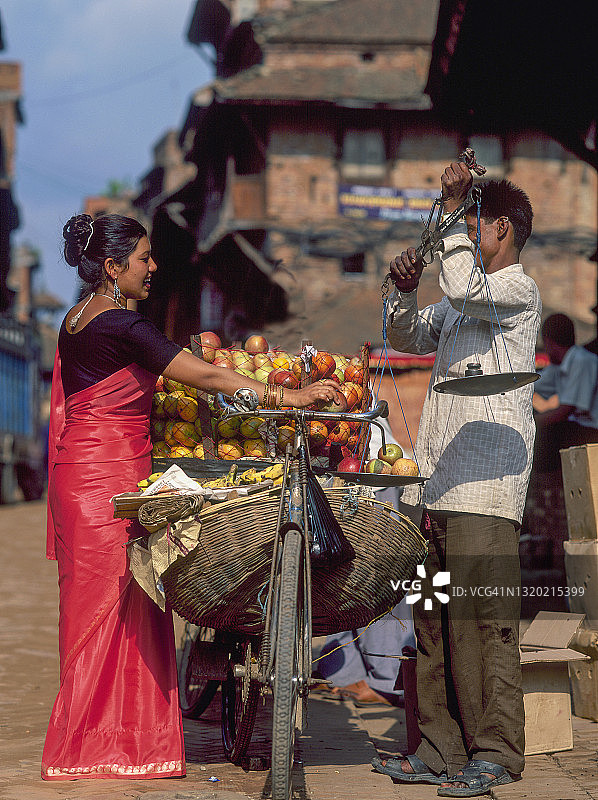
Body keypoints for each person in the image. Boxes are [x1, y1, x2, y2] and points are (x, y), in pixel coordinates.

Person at [42, 213, 339, 781]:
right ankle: (114, 747)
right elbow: (205, 377)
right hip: (109, 480)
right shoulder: (123, 326)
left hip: (80, 474)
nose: (153, 267)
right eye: (144, 258)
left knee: (92, 611)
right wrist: (290, 396)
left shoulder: (76, 319)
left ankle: (96, 741)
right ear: (112, 267)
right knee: (120, 608)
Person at [371, 162, 541, 797]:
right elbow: (405, 333)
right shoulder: (459, 299)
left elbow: (467, 286)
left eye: (474, 227)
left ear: (501, 230)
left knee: (485, 624)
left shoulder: (517, 291)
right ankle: (439, 747)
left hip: (485, 493)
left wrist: (448, 213)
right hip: (437, 487)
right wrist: (401, 290)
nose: (466, 238)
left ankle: (495, 752)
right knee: (434, 622)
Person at [315, 417, 415, 707]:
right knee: (340, 572)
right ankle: (348, 671)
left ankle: (387, 678)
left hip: (374, 470)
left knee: (376, 574)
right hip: (331, 470)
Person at [533, 312, 598, 469]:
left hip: (592, 430)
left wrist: (531, 422)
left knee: (546, 436)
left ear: (548, 342)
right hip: (578, 427)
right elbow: (531, 385)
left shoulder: (582, 361)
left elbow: (565, 410)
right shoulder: (559, 365)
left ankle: (548, 481)